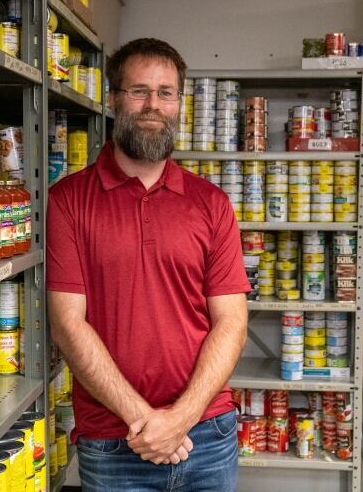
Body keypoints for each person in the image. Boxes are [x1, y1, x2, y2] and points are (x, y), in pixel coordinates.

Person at [46, 38, 250, 492]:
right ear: (114, 98)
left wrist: (179, 419)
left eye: (165, 92)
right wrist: (147, 423)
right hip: (116, 441)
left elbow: (231, 323)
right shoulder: (68, 201)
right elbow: (66, 324)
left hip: (207, 436)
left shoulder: (211, 204)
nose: (152, 105)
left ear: (179, 103)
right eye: (139, 91)